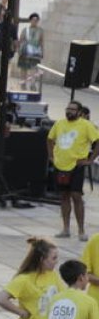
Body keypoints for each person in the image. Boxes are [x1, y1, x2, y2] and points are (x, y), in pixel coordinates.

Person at [48, 100, 99, 240]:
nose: (69, 111)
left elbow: (97, 141)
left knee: (76, 196)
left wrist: (90, 159)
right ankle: (65, 229)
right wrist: (51, 156)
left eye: (72, 109)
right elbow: (50, 139)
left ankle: (81, 231)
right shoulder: (59, 124)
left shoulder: (86, 125)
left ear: (79, 112)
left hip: (77, 165)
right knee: (64, 196)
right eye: (68, 109)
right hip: (60, 165)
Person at [17, 13, 45, 89]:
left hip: (35, 53)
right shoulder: (25, 30)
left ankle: (33, 84)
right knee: (23, 68)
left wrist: (42, 51)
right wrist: (19, 50)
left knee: (34, 68)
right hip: (25, 51)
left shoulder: (40, 31)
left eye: (36, 20)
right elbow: (21, 40)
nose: (34, 21)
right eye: (33, 20)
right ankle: (23, 84)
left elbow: (41, 41)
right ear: (30, 20)